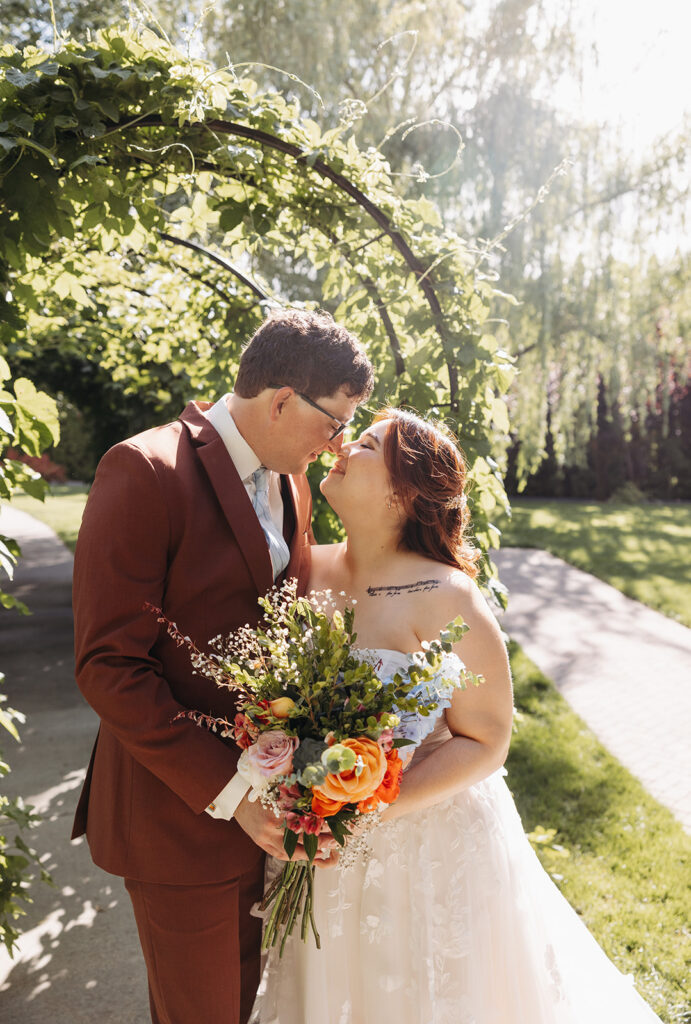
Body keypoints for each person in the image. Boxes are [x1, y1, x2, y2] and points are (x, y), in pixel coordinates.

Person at [250, 407, 663, 1024]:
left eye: (363, 443)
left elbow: (488, 739)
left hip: (423, 846)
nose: (340, 445)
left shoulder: (446, 595)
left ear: (402, 490)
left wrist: (362, 806)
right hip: (317, 844)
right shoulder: (305, 568)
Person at [70, 309, 374, 1024]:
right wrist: (233, 792)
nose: (337, 445)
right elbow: (108, 665)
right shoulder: (143, 469)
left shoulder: (292, 483)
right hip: (179, 816)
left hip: (275, 814)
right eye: (334, 423)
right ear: (279, 401)